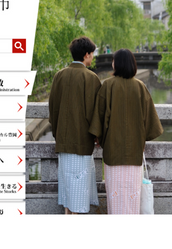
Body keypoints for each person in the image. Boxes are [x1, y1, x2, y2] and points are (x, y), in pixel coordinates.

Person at [89, 49, 163, 214]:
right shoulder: (140, 87)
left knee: (115, 197)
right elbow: (149, 121)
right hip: (134, 151)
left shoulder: (108, 85)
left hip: (113, 152)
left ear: (116, 64)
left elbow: (99, 118)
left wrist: (98, 138)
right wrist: (141, 137)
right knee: (132, 196)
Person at [49, 36, 101, 215]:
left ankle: (67, 214)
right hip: (82, 141)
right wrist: (96, 136)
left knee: (67, 184)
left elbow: (53, 109)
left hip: (64, 141)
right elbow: (96, 112)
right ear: (86, 55)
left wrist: (57, 133)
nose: (92, 57)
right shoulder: (91, 78)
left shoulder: (59, 76)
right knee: (79, 185)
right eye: (92, 54)